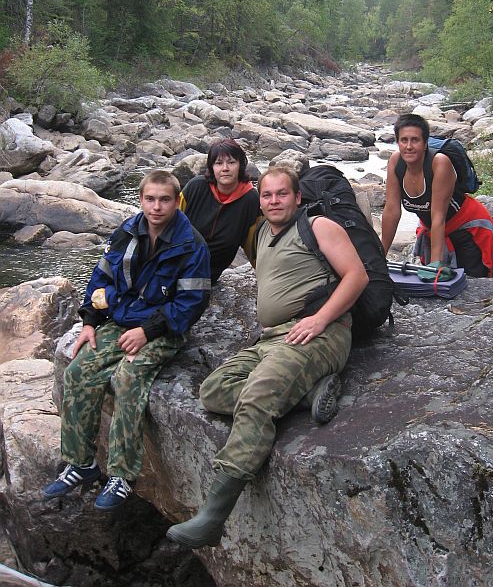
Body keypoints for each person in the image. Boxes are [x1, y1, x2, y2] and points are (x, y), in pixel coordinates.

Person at [165, 166, 368, 549]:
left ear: (297, 197)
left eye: (282, 194)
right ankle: (307, 394)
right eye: (267, 195)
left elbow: (357, 276)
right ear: (260, 201)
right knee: (213, 390)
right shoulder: (261, 234)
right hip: (273, 338)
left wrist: (321, 319)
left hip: (320, 332)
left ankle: (213, 516)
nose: (274, 201)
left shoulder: (319, 226)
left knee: (258, 396)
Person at [43, 170, 211, 510]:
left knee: (127, 377)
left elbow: (192, 303)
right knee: (78, 372)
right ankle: (81, 463)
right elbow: (101, 277)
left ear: (177, 201)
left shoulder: (192, 245)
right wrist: (90, 320)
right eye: (150, 199)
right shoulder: (126, 232)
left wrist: (148, 331)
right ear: (141, 199)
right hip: (121, 320)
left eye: (165, 200)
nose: (157, 207)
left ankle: (122, 474)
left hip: (165, 328)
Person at [381, 113, 493, 277]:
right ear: (397, 142)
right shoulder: (396, 162)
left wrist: (434, 266)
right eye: (404, 140)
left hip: (467, 229)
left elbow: (438, 216)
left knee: (470, 282)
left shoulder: (439, 163)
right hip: (433, 230)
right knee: (430, 284)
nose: (408, 146)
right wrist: (379, 256)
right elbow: (391, 211)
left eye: (415, 140)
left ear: (425, 143)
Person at [179, 138, 260, 283]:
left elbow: (254, 247)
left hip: (206, 277)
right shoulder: (195, 187)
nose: (225, 168)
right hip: (174, 264)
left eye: (231, 162)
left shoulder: (250, 199)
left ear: (240, 165)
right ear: (212, 167)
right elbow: (168, 220)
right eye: (218, 163)